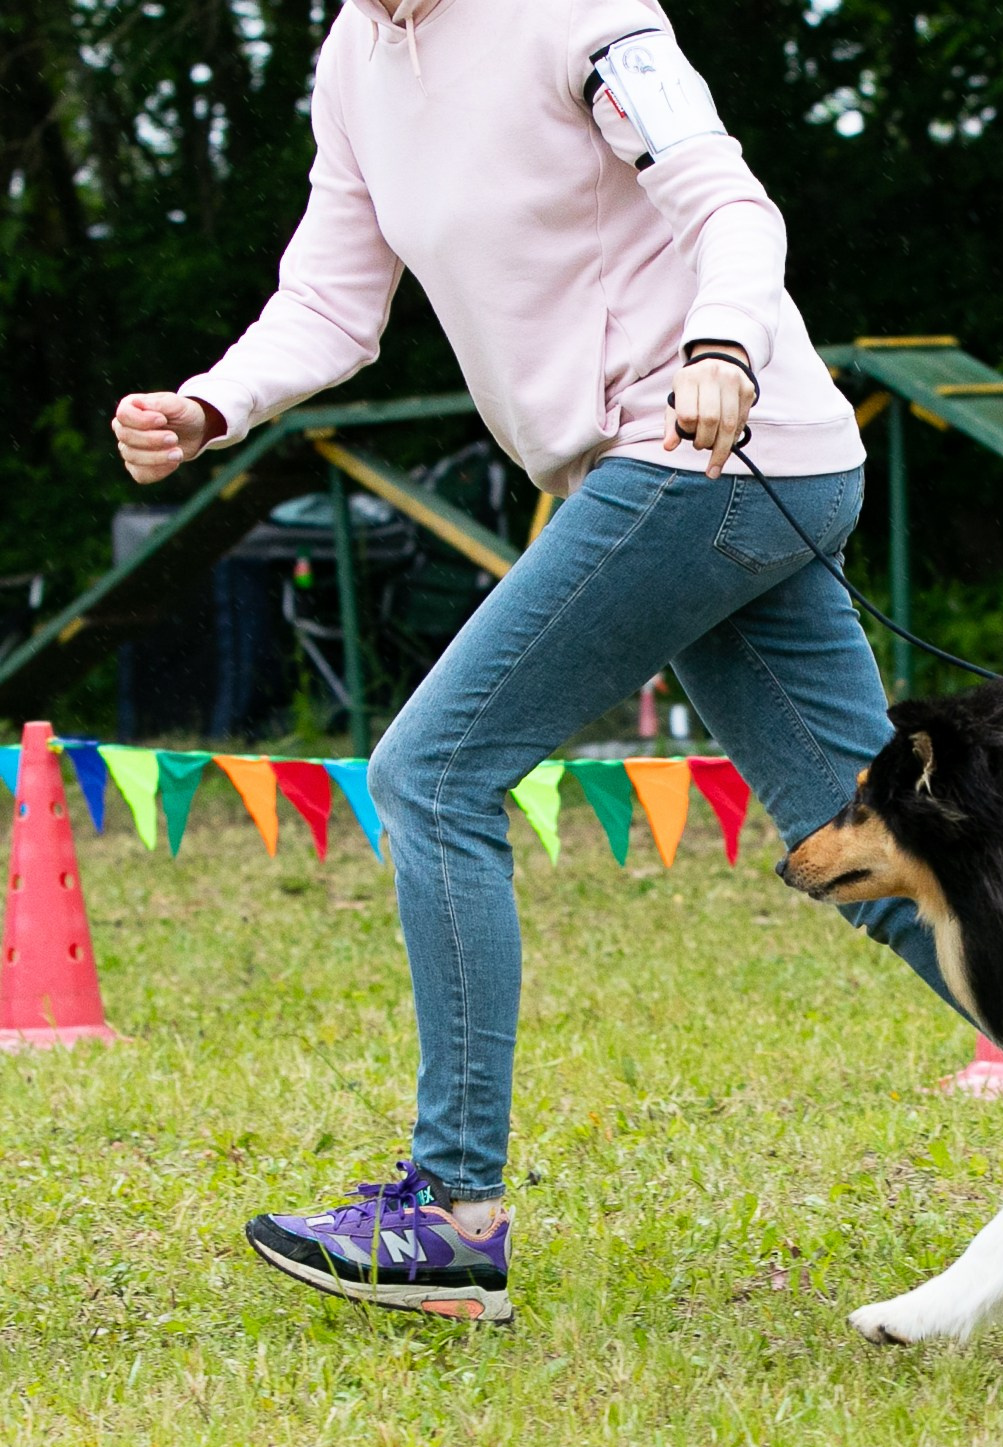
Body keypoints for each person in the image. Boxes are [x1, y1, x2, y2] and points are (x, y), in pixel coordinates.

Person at [111, 0, 956, 1323]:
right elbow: (331, 299)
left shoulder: (576, 14)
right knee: (865, 849)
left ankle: (450, 1213)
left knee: (434, 772)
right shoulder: (355, 58)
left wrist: (724, 343)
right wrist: (214, 404)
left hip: (703, 451)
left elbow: (728, 203)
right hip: (702, 472)